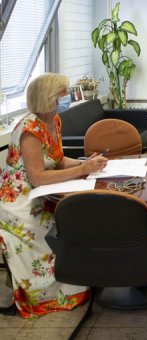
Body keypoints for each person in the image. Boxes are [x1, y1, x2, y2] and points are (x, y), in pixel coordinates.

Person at [0, 73, 108, 317]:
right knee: (51, 233)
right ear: (49, 97)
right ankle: (47, 295)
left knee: (75, 221)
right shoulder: (29, 130)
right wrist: (82, 170)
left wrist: (84, 162)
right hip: (20, 202)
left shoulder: (54, 121)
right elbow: (37, 175)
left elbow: (57, 160)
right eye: (63, 93)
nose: (67, 97)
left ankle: (83, 275)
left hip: (43, 193)